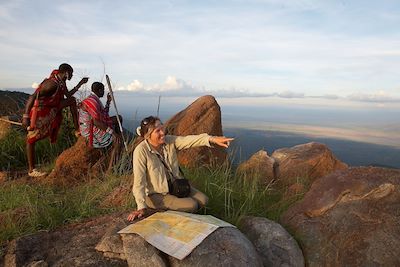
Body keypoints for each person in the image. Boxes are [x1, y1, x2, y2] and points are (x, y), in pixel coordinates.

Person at [127, 116, 234, 221]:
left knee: (203, 200)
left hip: (175, 186)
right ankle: (164, 213)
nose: (162, 133)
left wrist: (212, 139)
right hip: (157, 194)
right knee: (191, 205)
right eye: (157, 131)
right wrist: (141, 207)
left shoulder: (169, 141)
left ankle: (182, 212)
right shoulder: (141, 151)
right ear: (147, 135)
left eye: (162, 128)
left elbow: (188, 140)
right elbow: (139, 182)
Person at [22, 63, 88, 177]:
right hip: (40, 112)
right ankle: (31, 170)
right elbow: (33, 97)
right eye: (71, 73)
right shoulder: (51, 84)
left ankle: (77, 130)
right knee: (31, 139)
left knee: (72, 100)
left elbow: (68, 95)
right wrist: (26, 117)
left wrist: (80, 84)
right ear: (66, 72)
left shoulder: (61, 83)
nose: (72, 75)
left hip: (52, 109)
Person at [79, 82, 122, 172]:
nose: (104, 92)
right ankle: (111, 169)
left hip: (93, 124)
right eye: (103, 90)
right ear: (99, 90)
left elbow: (103, 115)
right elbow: (96, 122)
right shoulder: (93, 102)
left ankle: (117, 142)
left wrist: (108, 102)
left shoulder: (94, 99)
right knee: (117, 141)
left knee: (119, 118)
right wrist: (112, 133)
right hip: (90, 129)